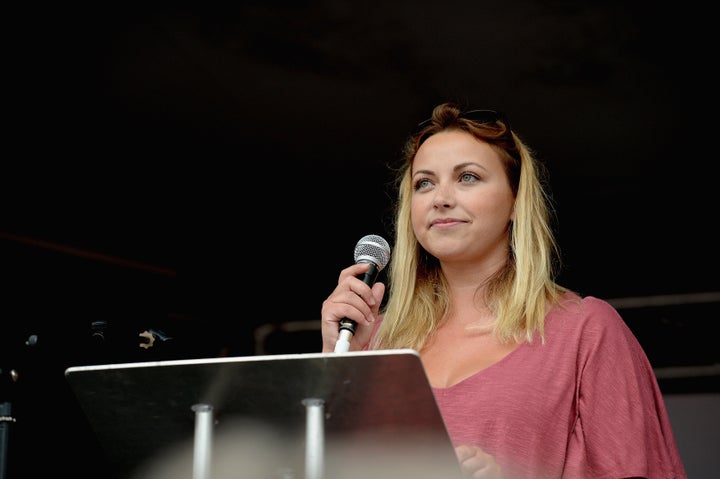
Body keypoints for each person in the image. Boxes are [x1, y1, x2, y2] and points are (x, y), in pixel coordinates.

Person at [320, 102, 686, 479]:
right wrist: (334, 363)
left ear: (514, 201)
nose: (440, 198)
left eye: (468, 177)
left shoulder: (585, 330)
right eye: (424, 183)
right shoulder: (372, 340)